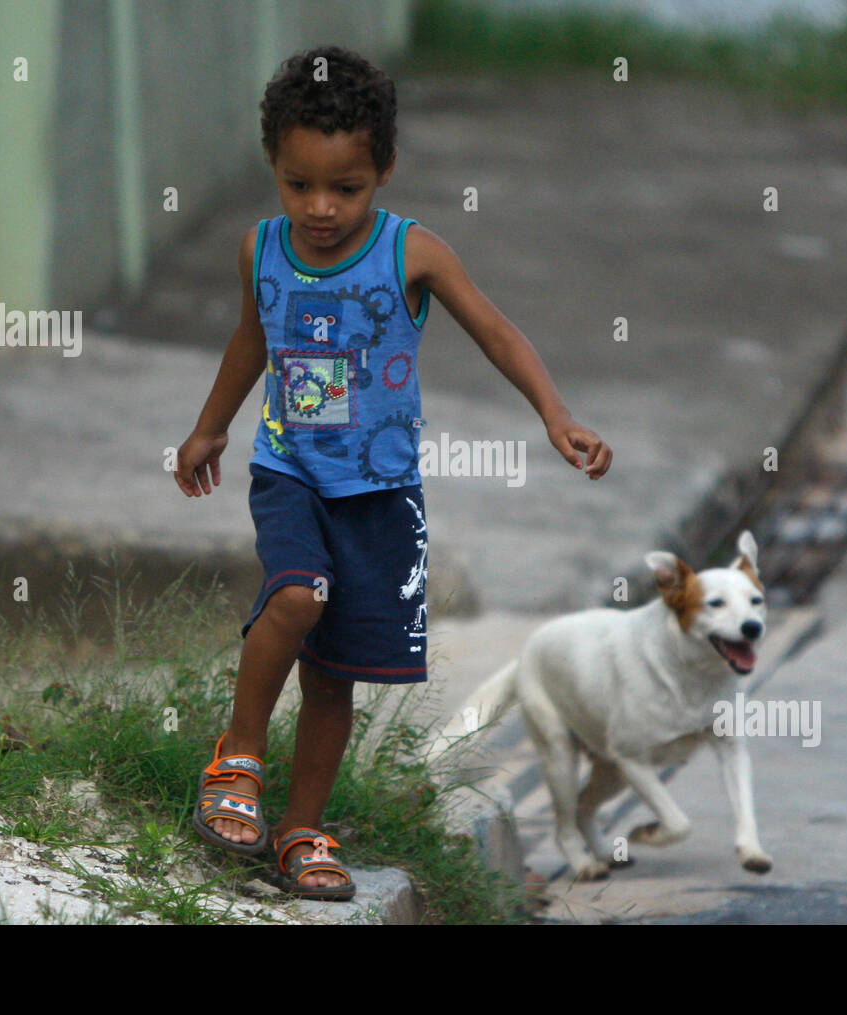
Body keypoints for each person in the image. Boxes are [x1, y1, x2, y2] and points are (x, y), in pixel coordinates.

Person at [174, 45, 612, 901]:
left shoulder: (414, 251)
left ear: (385, 171)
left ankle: (302, 828)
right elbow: (252, 340)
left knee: (334, 672)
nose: (322, 207)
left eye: (347, 187)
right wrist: (209, 428)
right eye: (300, 185)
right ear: (275, 168)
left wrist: (555, 414)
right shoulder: (260, 248)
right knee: (298, 596)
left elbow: (497, 332)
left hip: (379, 494)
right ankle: (237, 756)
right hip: (289, 469)